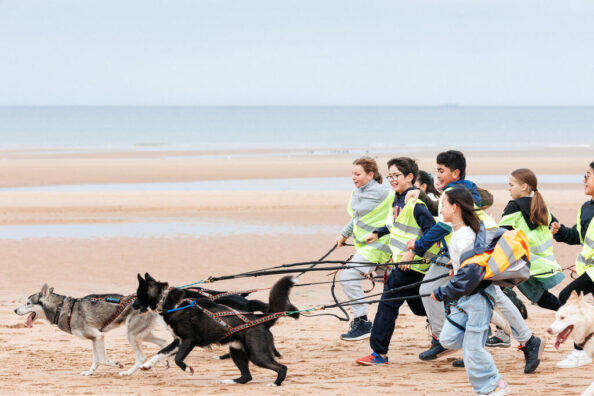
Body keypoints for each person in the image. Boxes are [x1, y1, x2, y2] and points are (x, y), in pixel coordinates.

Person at [408, 151, 542, 374]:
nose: (437, 175)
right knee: (489, 297)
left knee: (475, 295)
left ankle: (450, 342)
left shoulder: (452, 193)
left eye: (441, 171)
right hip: (480, 246)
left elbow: (442, 227)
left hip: (481, 247)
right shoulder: (465, 189)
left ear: (455, 172)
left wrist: (419, 246)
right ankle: (507, 343)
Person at [354, 157, 437, 365]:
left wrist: (414, 253)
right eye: (390, 175)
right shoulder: (396, 199)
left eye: (396, 175)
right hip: (401, 262)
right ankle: (442, 330)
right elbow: (396, 225)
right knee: (419, 306)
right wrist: (378, 232)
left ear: (410, 177)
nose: (392, 179)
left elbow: (433, 232)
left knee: (387, 304)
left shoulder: (415, 203)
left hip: (413, 265)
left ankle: (378, 354)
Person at [430, 187, 510, 396]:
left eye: (444, 205)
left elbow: (471, 274)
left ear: (455, 207)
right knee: (447, 340)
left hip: (476, 298)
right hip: (465, 299)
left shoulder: (464, 236)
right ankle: (488, 323)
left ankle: (494, 385)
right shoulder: (460, 233)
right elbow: (466, 266)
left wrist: (443, 291)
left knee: (472, 351)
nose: (441, 209)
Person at [486, 169, 564, 348]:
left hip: (518, 263)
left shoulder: (513, 206)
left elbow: (501, 234)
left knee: (496, 290)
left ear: (524, 186)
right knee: (543, 299)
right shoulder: (541, 205)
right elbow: (557, 228)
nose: (508, 189)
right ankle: (572, 311)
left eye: (511, 185)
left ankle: (502, 333)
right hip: (539, 264)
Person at [335, 156, 393, 341]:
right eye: (352, 173)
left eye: (357, 174)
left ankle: (362, 322)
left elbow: (402, 205)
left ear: (370, 174)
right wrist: (344, 234)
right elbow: (357, 218)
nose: (353, 177)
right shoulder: (357, 192)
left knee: (347, 277)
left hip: (380, 245)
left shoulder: (383, 191)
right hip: (365, 246)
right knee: (396, 286)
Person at [550, 161, 594, 368]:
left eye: (588, 175)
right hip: (589, 269)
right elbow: (579, 235)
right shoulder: (586, 208)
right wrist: (561, 232)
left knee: (566, 298)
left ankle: (580, 351)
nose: (583, 180)